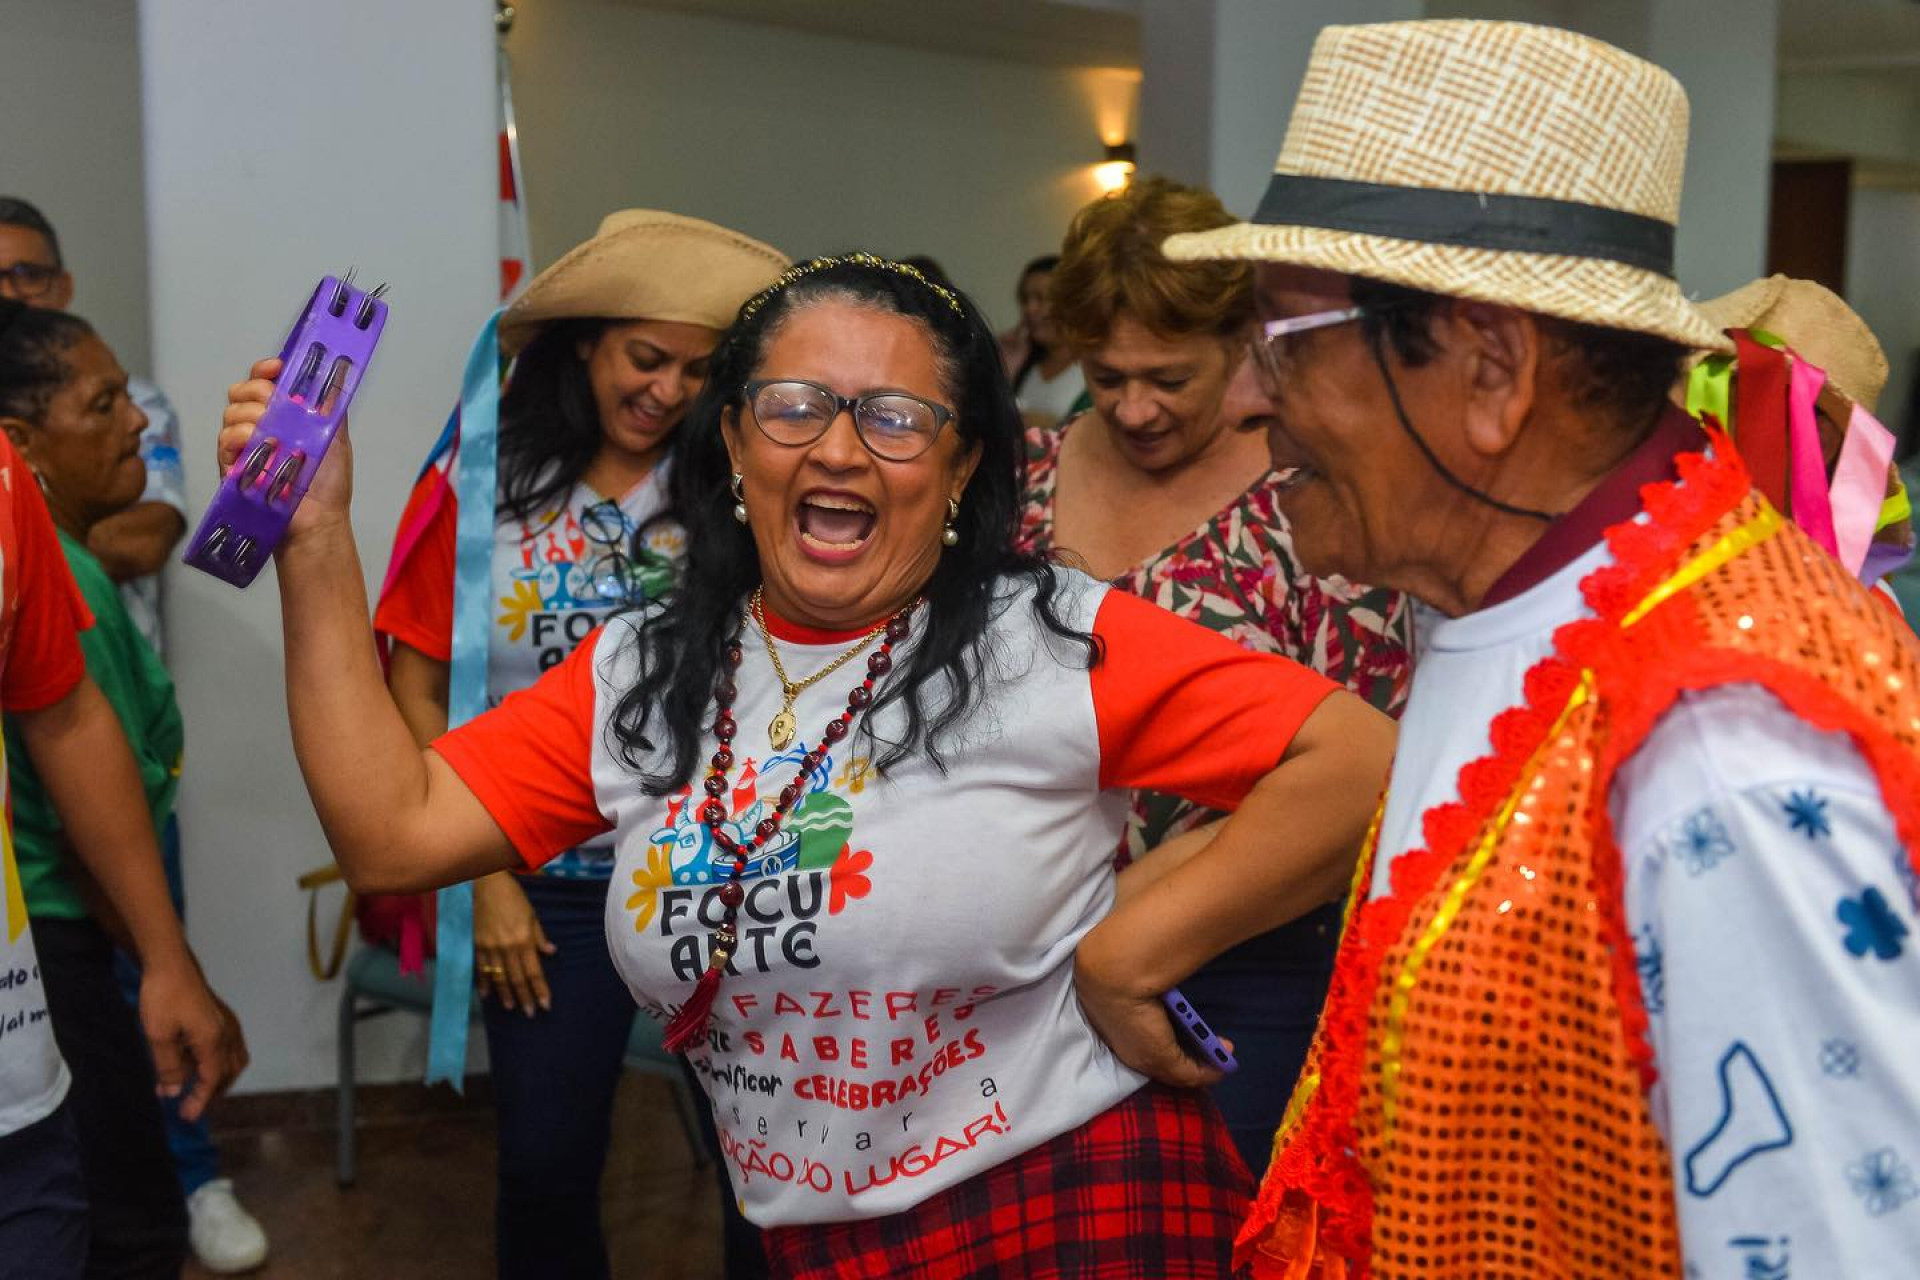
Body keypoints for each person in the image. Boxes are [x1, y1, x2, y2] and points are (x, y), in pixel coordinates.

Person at [221, 251, 1396, 1277]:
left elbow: (1355, 759)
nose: (837, 449)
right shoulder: (638, 667)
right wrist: (317, 542)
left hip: (1068, 1201)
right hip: (812, 1237)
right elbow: (394, 828)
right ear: (733, 441)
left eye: (894, 417)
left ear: (962, 463)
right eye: (792, 406)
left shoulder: (1049, 637)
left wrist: (1130, 945)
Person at [1163, 19, 1920, 1277]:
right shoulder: (1507, 595)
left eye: (1282, 343)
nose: (1246, 398)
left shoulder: (1725, 755)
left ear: (1491, 369)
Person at [375, 209, 786, 1280]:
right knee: (549, 1163)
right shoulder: (480, 486)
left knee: (771, 1168)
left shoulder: (738, 497)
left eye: (701, 369)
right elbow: (414, 685)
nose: (669, 390)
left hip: (712, 876)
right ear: (587, 347)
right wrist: (485, 879)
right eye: (645, 357)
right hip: (543, 886)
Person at [1019, 174, 1410, 1170]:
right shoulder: (1021, 475)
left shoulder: (1310, 502)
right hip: (1015, 951)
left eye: (1168, 377)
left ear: (1240, 347)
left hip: (1241, 955)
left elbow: (1362, 764)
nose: (1135, 408)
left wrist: (1122, 917)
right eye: (1107, 378)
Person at [0, 194, 265, 1276]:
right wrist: (165, 956)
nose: (138, 427)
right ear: (22, 445)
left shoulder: (43, 546)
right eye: (103, 406)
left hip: (84, 899)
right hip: (63, 914)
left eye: (124, 398)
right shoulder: (64, 576)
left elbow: (156, 534)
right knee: (115, 1199)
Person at [1000, 254, 1084, 426]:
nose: (1030, 309)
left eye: (1041, 298)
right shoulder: (1023, 361)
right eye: (1025, 299)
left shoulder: (1091, 367)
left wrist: (1053, 426)